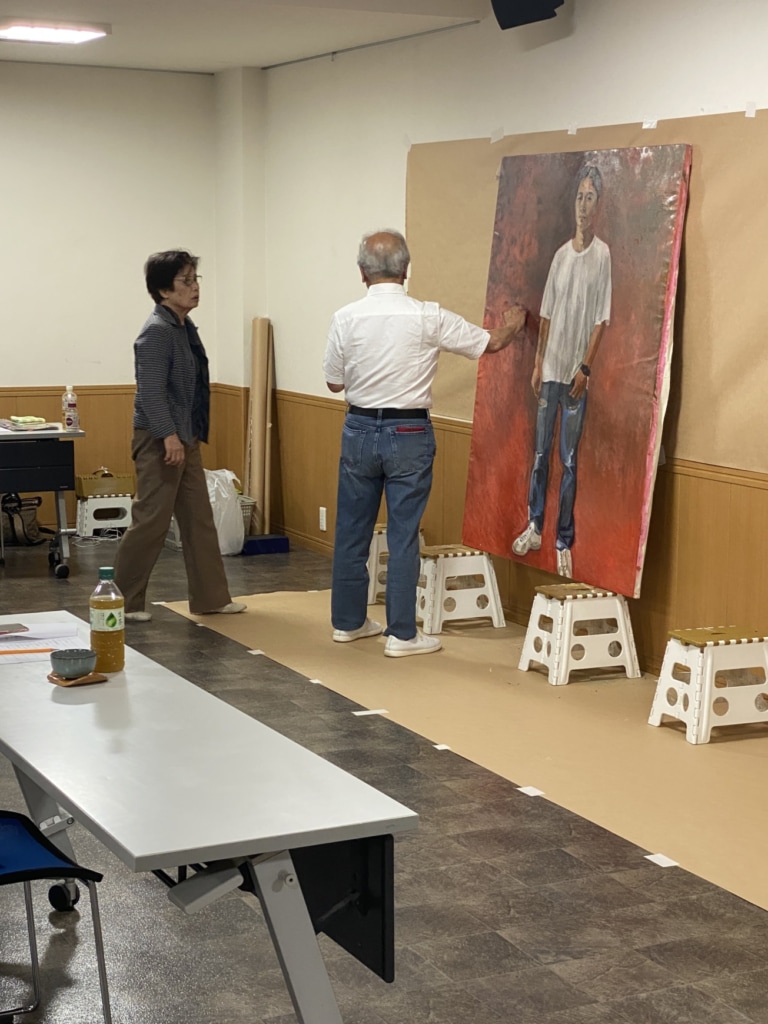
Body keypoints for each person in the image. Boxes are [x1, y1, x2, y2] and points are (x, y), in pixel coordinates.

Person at [323, 229, 525, 658]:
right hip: (409, 432)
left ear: (362, 273)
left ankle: (348, 623)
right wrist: (514, 324)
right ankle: (402, 634)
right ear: (406, 269)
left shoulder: (345, 318)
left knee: (352, 530)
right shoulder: (427, 316)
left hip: (359, 428)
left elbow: (333, 382)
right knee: (403, 535)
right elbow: (490, 342)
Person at [114, 250, 246, 622]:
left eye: (195, 279)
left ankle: (211, 598)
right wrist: (168, 436)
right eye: (185, 281)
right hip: (160, 439)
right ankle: (120, 602)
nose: (194, 287)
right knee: (151, 522)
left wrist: (184, 436)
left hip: (184, 435)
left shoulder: (184, 327)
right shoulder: (156, 332)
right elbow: (150, 392)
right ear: (163, 290)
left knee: (198, 519)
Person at [512, 165, 611, 579]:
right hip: (551, 370)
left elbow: (601, 320)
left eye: (590, 198)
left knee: (568, 461)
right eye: (579, 197)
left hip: (575, 376)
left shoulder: (602, 256)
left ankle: (563, 540)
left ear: (598, 205)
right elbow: (547, 314)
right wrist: (538, 363)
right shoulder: (559, 256)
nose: (583, 206)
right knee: (540, 454)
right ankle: (535, 526)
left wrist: (585, 368)